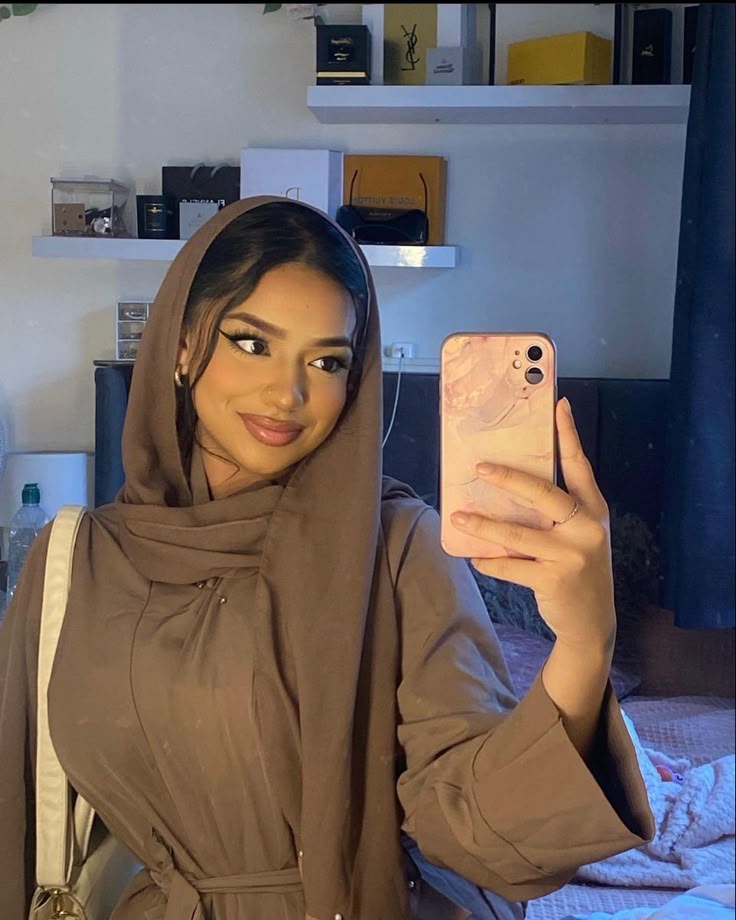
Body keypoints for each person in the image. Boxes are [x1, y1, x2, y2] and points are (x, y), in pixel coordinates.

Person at [0, 197, 654, 920]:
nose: (288, 393)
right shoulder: (76, 561)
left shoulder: (395, 547)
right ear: (182, 346)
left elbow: (475, 828)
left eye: (326, 360)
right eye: (253, 343)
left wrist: (586, 644)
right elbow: (17, 806)